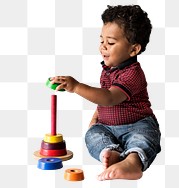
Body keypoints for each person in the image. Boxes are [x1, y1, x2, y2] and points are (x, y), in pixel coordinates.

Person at [50, 5, 161, 181]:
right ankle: (111, 153)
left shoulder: (132, 73)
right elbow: (103, 97)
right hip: (108, 127)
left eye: (110, 43)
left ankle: (132, 162)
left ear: (133, 49)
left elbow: (110, 97)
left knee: (144, 138)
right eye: (101, 41)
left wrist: (76, 86)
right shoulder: (108, 69)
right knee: (92, 135)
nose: (103, 47)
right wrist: (97, 115)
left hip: (137, 124)